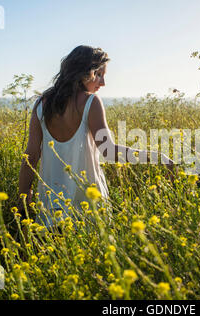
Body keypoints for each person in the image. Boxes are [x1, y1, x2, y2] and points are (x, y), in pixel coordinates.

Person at [17, 45, 175, 230]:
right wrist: (158, 157)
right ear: (84, 73)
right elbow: (108, 151)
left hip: (52, 205)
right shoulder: (91, 102)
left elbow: (31, 155)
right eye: (99, 75)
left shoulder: (41, 105)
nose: (103, 83)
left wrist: (23, 195)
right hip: (90, 206)